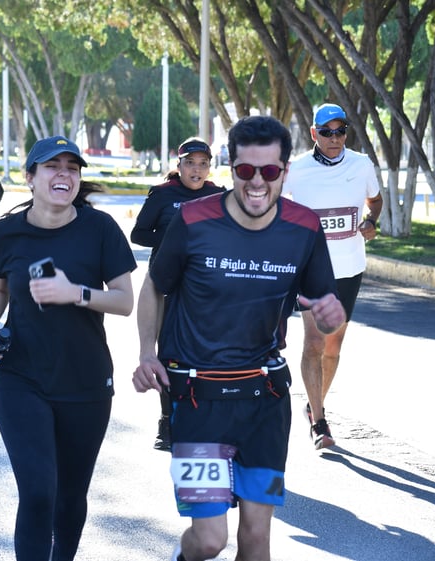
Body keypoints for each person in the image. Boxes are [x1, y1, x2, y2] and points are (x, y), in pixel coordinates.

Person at [132, 115, 346, 561]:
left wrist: (330, 315)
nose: (256, 182)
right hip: (197, 400)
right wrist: (146, 351)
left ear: (284, 171)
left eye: (269, 171)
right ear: (231, 168)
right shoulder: (194, 219)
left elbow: (322, 311)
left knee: (255, 539)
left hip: (264, 401)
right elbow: (155, 284)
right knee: (210, 541)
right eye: (246, 170)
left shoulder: (304, 227)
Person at [0, 136, 136, 561]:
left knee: (69, 496)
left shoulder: (100, 229)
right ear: (30, 178)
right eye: (52, 166)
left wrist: (75, 293)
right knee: (38, 493)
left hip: (85, 382)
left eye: (72, 167)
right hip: (20, 379)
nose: (63, 174)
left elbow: (124, 301)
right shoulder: (5, 232)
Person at [282, 103, 383, 450]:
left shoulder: (361, 164)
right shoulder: (297, 169)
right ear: (314, 134)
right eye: (327, 132)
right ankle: (321, 423)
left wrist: (371, 223)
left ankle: (314, 406)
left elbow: (375, 200)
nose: (335, 138)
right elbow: (276, 207)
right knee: (313, 342)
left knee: (332, 346)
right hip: (310, 270)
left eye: (340, 131)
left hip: (349, 267)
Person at [130, 137, 225, 452]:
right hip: (166, 285)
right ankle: (167, 421)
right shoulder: (162, 195)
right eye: (190, 163)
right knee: (168, 354)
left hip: (205, 289)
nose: (196, 170)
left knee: (209, 355)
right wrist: (174, 235)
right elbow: (139, 233)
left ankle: (204, 420)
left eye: (202, 164)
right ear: (179, 165)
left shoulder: (219, 196)